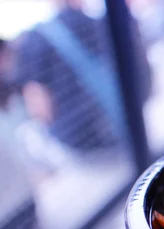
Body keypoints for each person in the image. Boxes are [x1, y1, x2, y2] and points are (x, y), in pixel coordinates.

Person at [9, 0, 151, 155]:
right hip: (133, 124)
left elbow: (41, 108)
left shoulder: (32, 44)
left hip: (90, 151)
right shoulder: (91, 19)